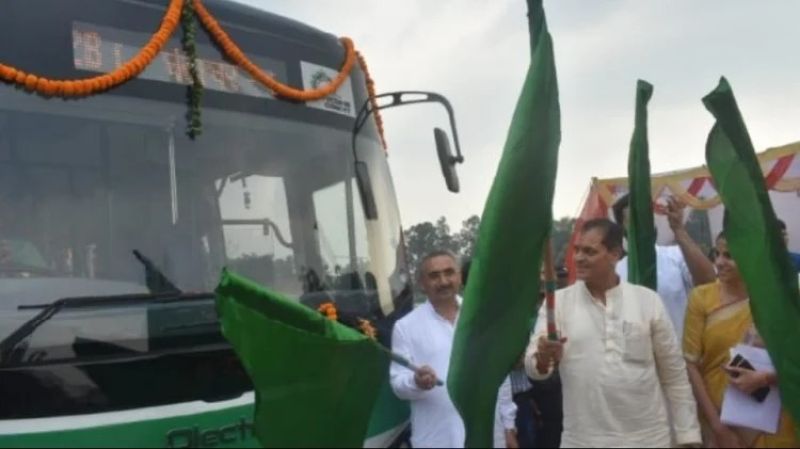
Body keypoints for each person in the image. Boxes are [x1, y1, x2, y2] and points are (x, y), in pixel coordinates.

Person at [525, 219, 701, 448]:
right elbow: (535, 367)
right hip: (583, 441)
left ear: (615, 254)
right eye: (577, 250)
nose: (579, 258)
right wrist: (544, 356)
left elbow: (674, 375)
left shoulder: (647, 301)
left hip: (649, 439)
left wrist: (688, 435)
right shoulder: (559, 303)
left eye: (590, 251)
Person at [390, 251, 518, 448]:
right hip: (437, 438)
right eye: (434, 276)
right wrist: (416, 381)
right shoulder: (405, 327)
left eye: (449, 273)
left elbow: (499, 375)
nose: (443, 281)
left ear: (459, 277)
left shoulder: (482, 316)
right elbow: (398, 383)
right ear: (422, 283)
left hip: (487, 435)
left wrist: (509, 425)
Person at [683, 232, 798, 448]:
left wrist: (766, 379)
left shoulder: (785, 298)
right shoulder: (702, 298)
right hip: (721, 417)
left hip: (778, 418)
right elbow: (691, 365)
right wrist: (718, 428)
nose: (719, 262)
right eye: (717, 254)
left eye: (729, 255)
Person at [613, 195, 717, 338]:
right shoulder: (615, 272)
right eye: (633, 221)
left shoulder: (676, 255)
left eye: (645, 218)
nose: (642, 225)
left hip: (679, 350)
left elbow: (709, 281)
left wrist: (679, 230)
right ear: (622, 229)